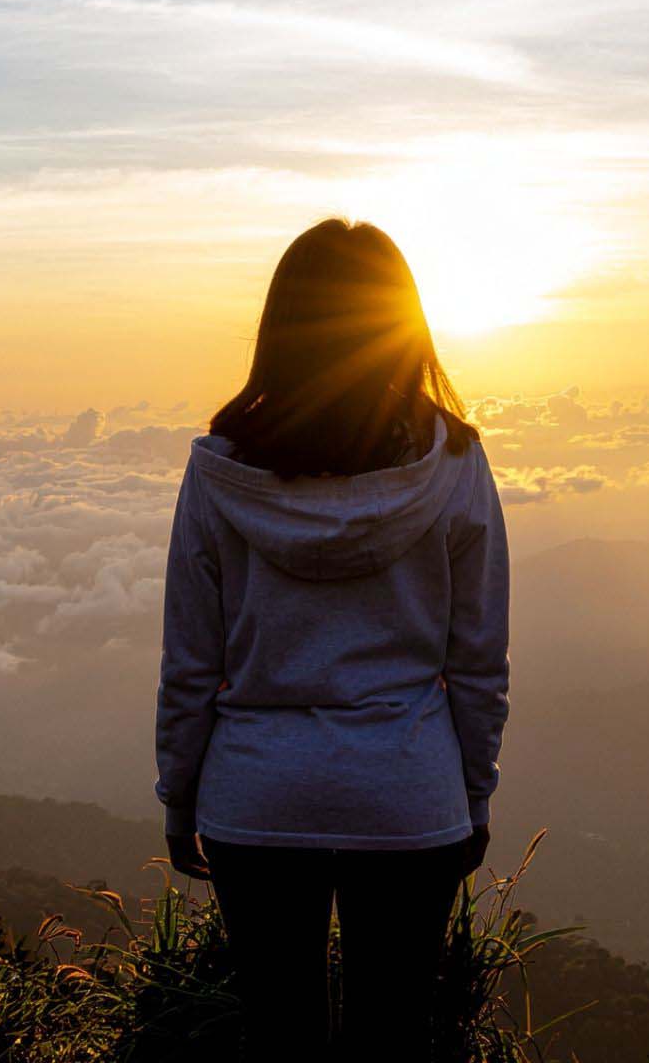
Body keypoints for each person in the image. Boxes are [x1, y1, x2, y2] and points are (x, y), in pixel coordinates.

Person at [154, 218, 512, 1063]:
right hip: (409, 797)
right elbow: (479, 660)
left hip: (257, 798)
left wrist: (180, 795)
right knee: (392, 1040)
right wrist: (475, 793)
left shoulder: (219, 468)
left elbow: (191, 659)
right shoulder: (455, 461)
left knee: (282, 1041)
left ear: (282, 327)